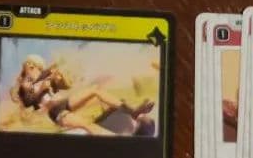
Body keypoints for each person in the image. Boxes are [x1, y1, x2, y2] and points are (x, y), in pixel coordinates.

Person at [12, 54, 154, 135]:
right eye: (31, 66)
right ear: (26, 69)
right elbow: (30, 100)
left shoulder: (43, 75)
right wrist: (42, 88)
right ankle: (116, 140)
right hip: (56, 111)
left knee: (95, 90)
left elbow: (64, 84)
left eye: (35, 66)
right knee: (86, 125)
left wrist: (58, 77)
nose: (34, 69)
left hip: (64, 102)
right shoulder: (27, 83)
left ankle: (132, 111)